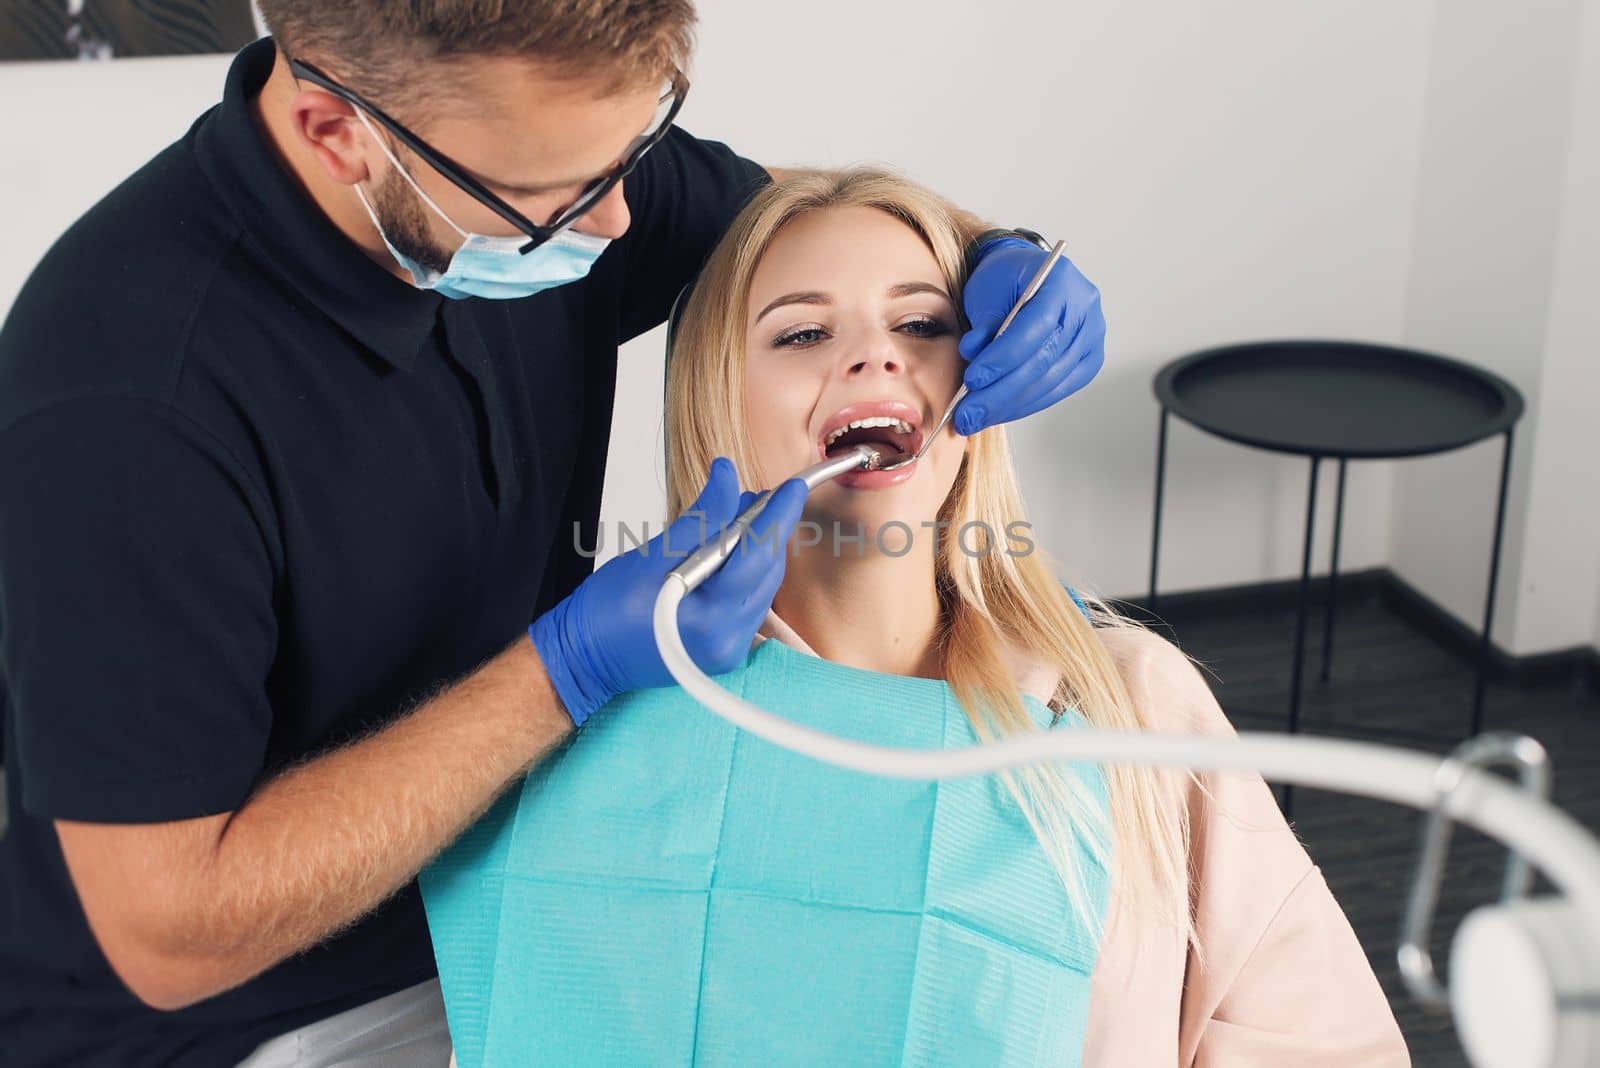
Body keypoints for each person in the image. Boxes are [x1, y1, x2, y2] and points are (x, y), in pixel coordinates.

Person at [0, 5, 1109, 1067]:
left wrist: (990, 257)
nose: (621, 224)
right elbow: (171, 940)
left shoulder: (535, 155)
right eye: (550, 198)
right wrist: (561, 672)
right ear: (337, 133)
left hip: (496, 892)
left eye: (634, 155)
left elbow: (799, 231)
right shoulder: (128, 406)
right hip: (250, 1019)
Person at [426, 167, 1408, 1064]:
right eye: (805, 334)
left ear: (978, 385)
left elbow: (1318, 1041)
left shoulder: (1126, 707)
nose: (873, 360)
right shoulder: (586, 735)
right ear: (714, 397)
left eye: (923, 326)